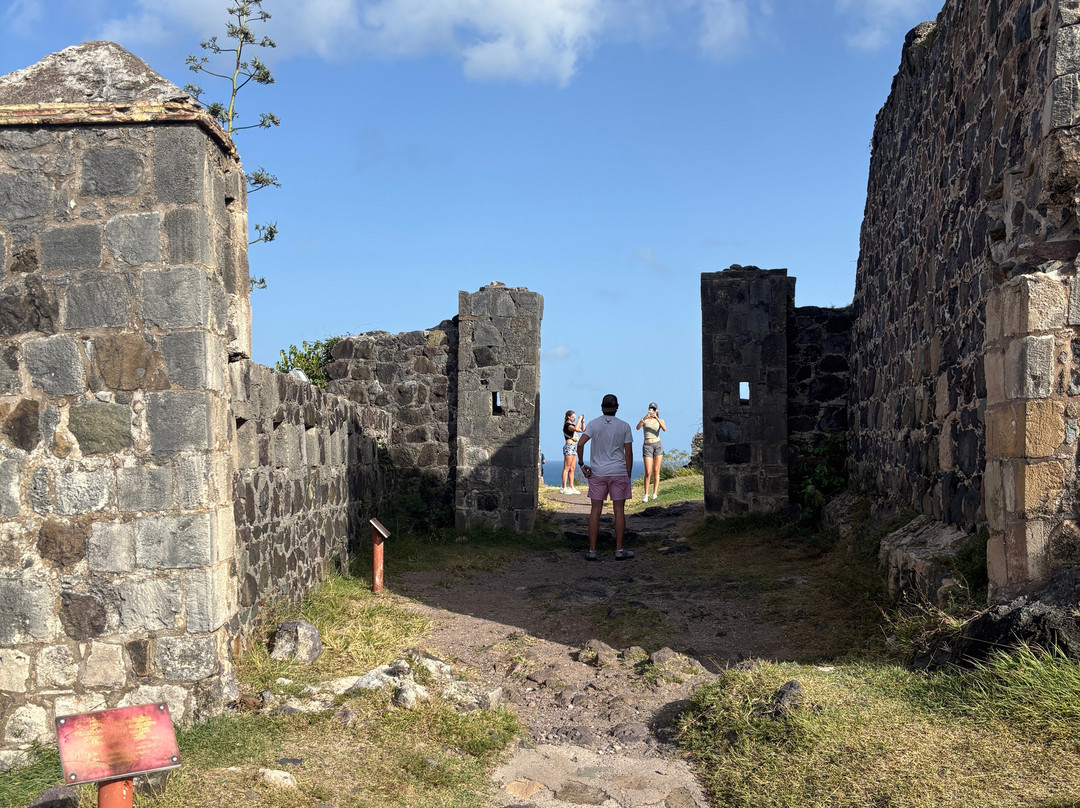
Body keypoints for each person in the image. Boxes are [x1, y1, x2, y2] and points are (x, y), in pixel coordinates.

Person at [577, 394, 635, 561]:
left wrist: (582, 463)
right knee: (619, 511)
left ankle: (592, 550)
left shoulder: (594, 424)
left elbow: (580, 444)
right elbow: (628, 454)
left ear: (602, 407)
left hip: (598, 472)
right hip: (619, 471)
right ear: (617, 407)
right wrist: (628, 474)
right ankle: (619, 550)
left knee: (595, 510)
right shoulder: (624, 426)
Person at [636, 402, 667, 502]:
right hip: (647, 446)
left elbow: (664, 429)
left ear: (656, 410)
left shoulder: (660, 420)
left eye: (654, 409)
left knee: (656, 470)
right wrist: (645, 417)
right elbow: (638, 427)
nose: (652, 410)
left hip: (657, 445)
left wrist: (656, 418)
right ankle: (646, 494)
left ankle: (654, 493)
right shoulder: (644, 419)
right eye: (650, 408)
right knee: (648, 471)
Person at [561, 409, 585, 494]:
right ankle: (564, 487)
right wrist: (579, 419)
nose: (574, 418)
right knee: (567, 467)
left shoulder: (572, 425)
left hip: (574, 446)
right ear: (569, 417)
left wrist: (582, 422)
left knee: (572, 468)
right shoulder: (567, 425)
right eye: (573, 417)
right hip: (569, 446)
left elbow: (582, 430)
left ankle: (571, 487)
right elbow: (575, 428)